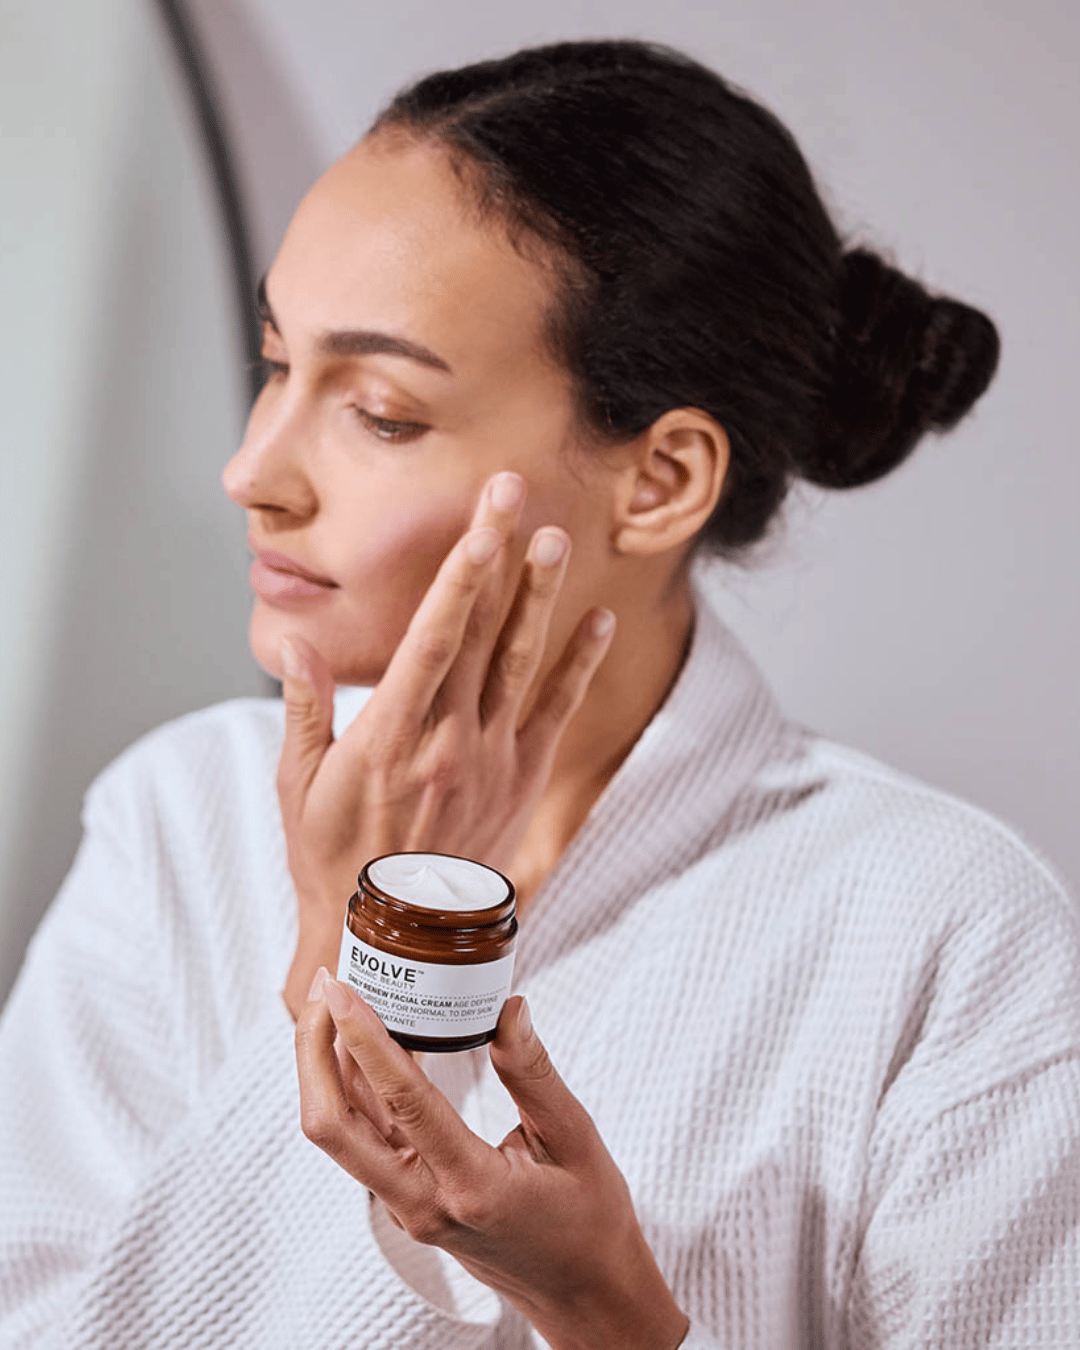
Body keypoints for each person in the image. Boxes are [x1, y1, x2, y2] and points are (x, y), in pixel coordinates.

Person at [1, 35, 1077, 1350]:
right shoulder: (174, 820)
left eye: (383, 411)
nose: (254, 470)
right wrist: (345, 961)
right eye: (276, 366)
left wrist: (608, 1312)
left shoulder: (941, 933)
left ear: (664, 478)